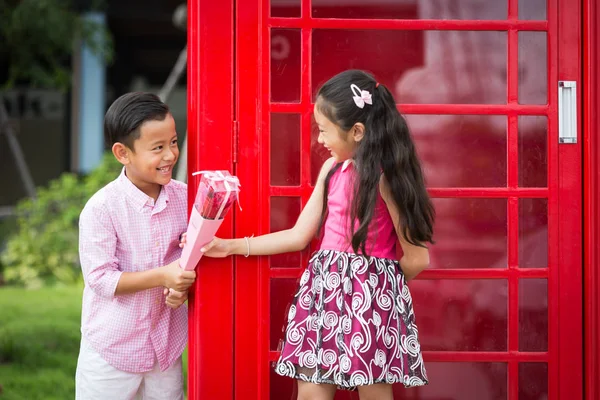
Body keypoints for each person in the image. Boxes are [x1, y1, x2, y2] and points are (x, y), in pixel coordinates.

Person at [201, 70, 435, 399]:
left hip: (369, 303)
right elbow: (299, 235)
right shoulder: (332, 170)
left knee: (374, 394)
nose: (320, 140)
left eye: (324, 131)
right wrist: (230, 246)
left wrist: (374, 284)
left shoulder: (386, 179)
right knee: (310, 393)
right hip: (322, 296)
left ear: (357, 131)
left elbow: (417, 257)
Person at [75, 92, 196, 399]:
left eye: (173, 142)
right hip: (111, 351)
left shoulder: (186, 199)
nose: (170, 155)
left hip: (164, 349)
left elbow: (191, 258)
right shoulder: (102, 208)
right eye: (157, 148)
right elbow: (101, 279)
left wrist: (179, 286)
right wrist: (163, 276)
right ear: (122, 153)